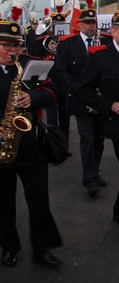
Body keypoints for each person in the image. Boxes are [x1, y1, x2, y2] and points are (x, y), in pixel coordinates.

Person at [0, 18, 62, 269]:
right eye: (6, 46)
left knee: (39, 200)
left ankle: (42, 248)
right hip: (3, 146)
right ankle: (9, 246)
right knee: (3, 202)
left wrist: (32, 97)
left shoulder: (28, 64)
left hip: (31, 144)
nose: (12, 51)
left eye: (16, 45)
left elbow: (52, 92)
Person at [77, 10, 119, 228]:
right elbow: (84, 91)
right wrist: (110, 105)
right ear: (113, 31)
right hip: (115, 122)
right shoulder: (99, 57)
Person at [55, 0, 111, 196]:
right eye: (86, 23)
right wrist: (79, 88)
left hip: (99, 98)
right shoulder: (67, 45)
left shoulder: (104, 42)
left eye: (93, 23)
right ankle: (89, 178)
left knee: (99, 138)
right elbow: (61, 71)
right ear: (79, 24)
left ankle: (95, 171)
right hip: (80, 98)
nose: (90, 26)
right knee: (87, 138)